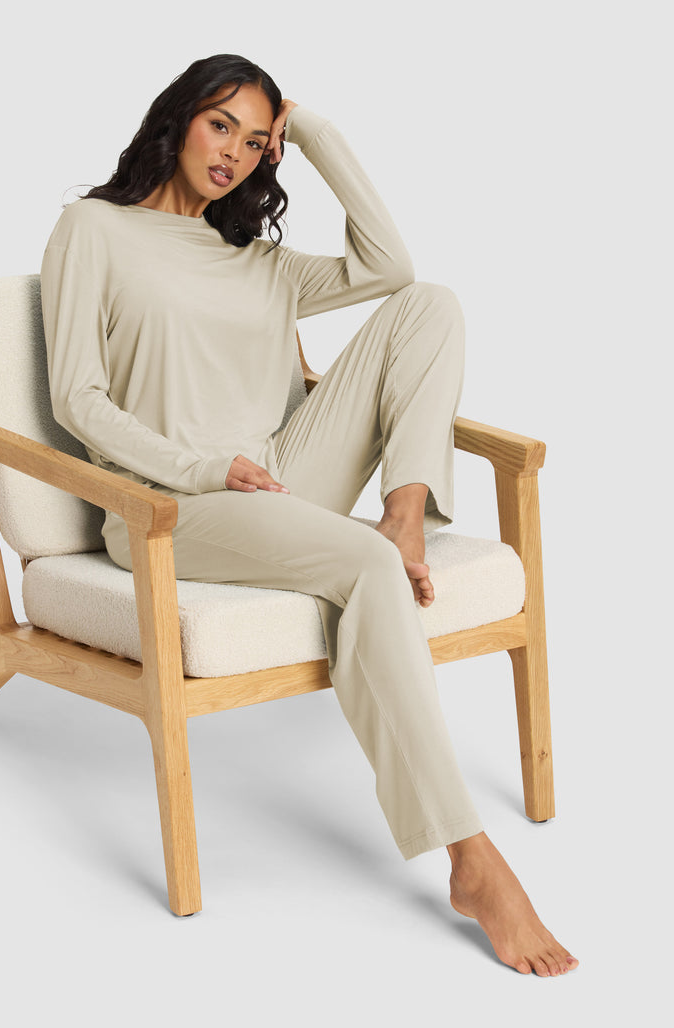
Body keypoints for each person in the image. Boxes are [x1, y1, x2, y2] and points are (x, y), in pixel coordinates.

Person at [40, 53, 578, 976]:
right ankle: (470, 859)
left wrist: (313, 126)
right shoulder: (93, 229)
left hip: (281, 480)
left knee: (430, 304)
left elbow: (391, 266)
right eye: (220, 126)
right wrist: (206, 466)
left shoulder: (258, 260)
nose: (234, 155)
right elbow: (81, 400)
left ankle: (402, 519)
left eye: (257, 141)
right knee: (363, 570)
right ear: (177, 120)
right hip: (175, 504)